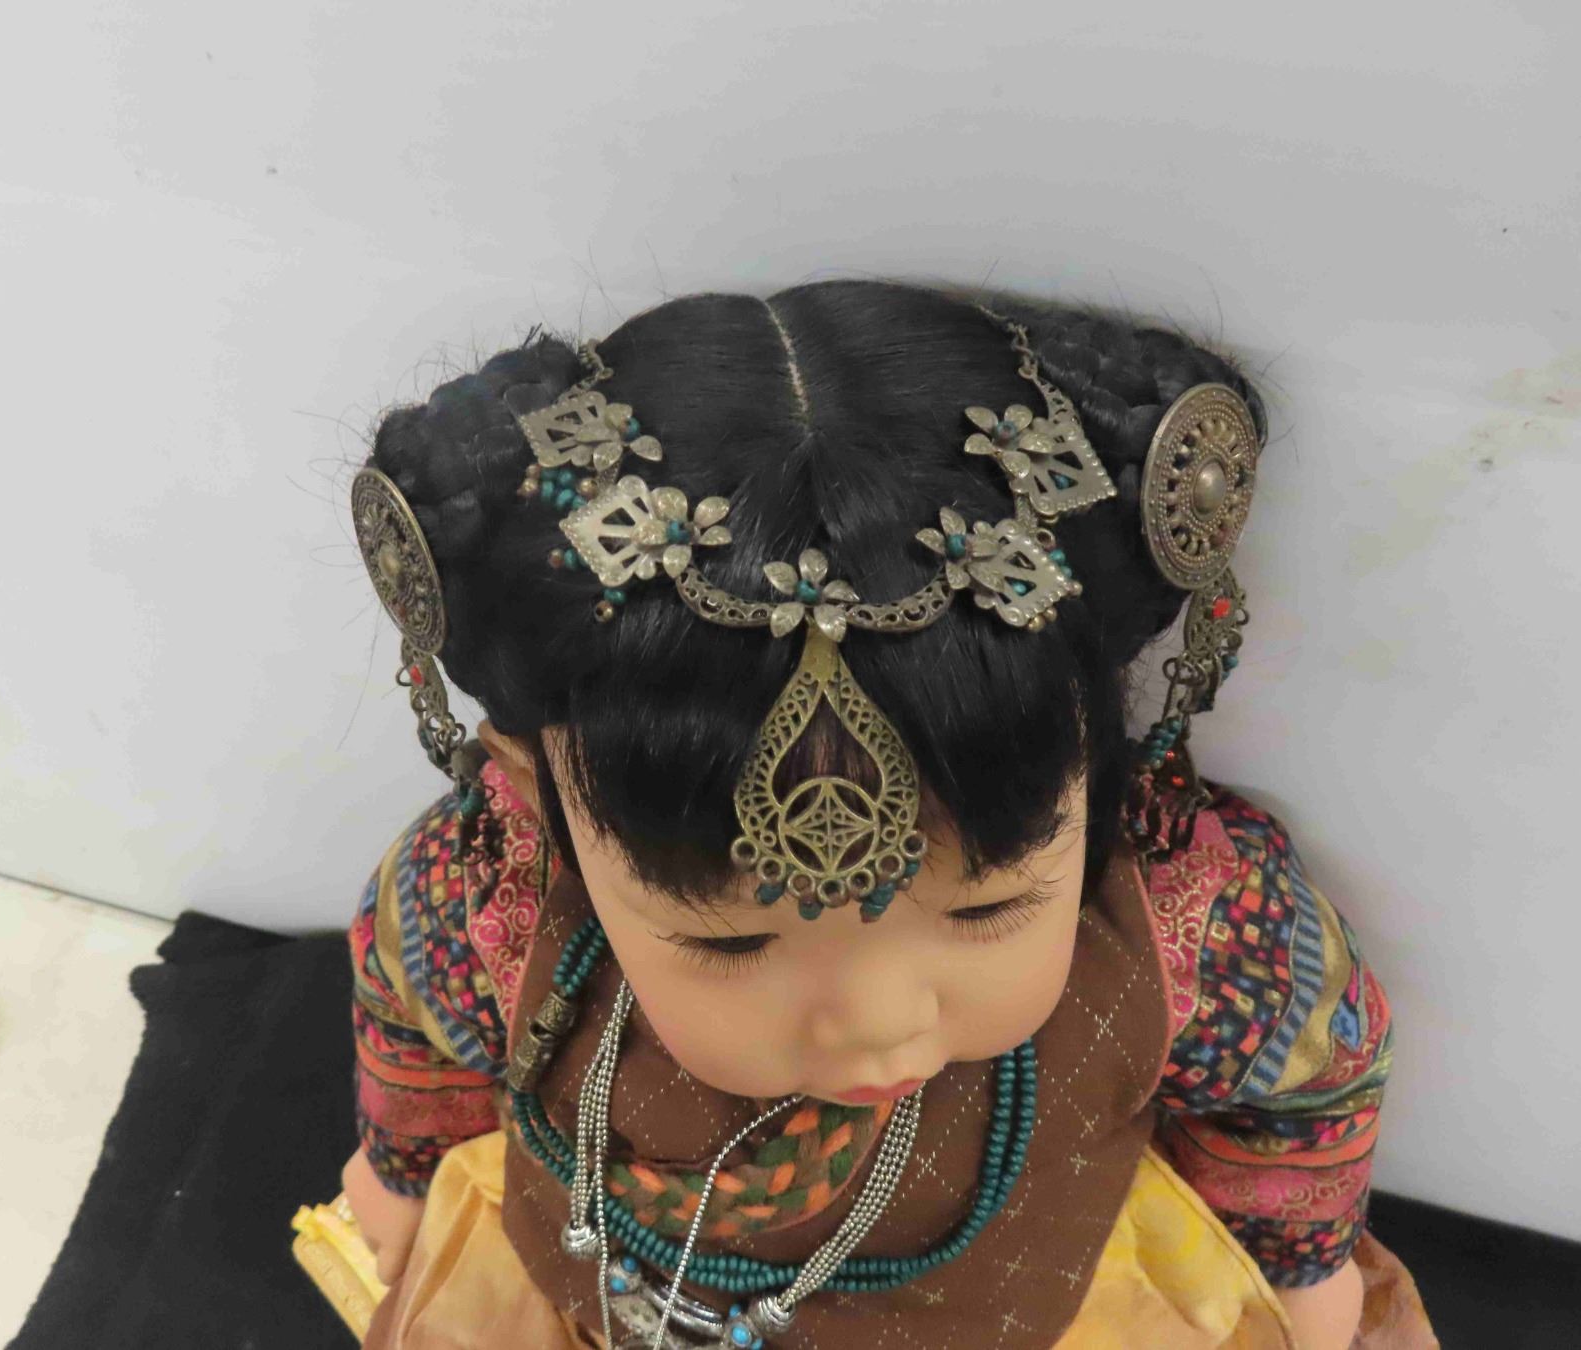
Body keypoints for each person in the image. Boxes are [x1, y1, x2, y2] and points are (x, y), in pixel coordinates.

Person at [333, 281, 1437, 1348]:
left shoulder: (1183, 918)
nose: (874, 1023)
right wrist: (404, 1165)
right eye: (733, 939)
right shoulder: (499, 886)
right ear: (531, 790)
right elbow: (409, 1008)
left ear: (1100, 765)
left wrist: (1300, 1259)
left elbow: (1302, 1079)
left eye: (987, 909)